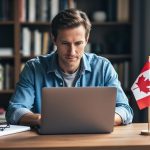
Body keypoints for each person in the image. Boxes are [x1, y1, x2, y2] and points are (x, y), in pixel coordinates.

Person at [6, 9, 133, 127]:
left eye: (78, 43)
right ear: (54, 40)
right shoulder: (33, 68)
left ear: (87, 40)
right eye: (65, 43)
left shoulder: (103, 67)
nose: (72, 52)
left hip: (94, 139)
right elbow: (15, 110)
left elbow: (125, 109)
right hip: (47, 140)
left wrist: (103, 119)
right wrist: (40, 119)